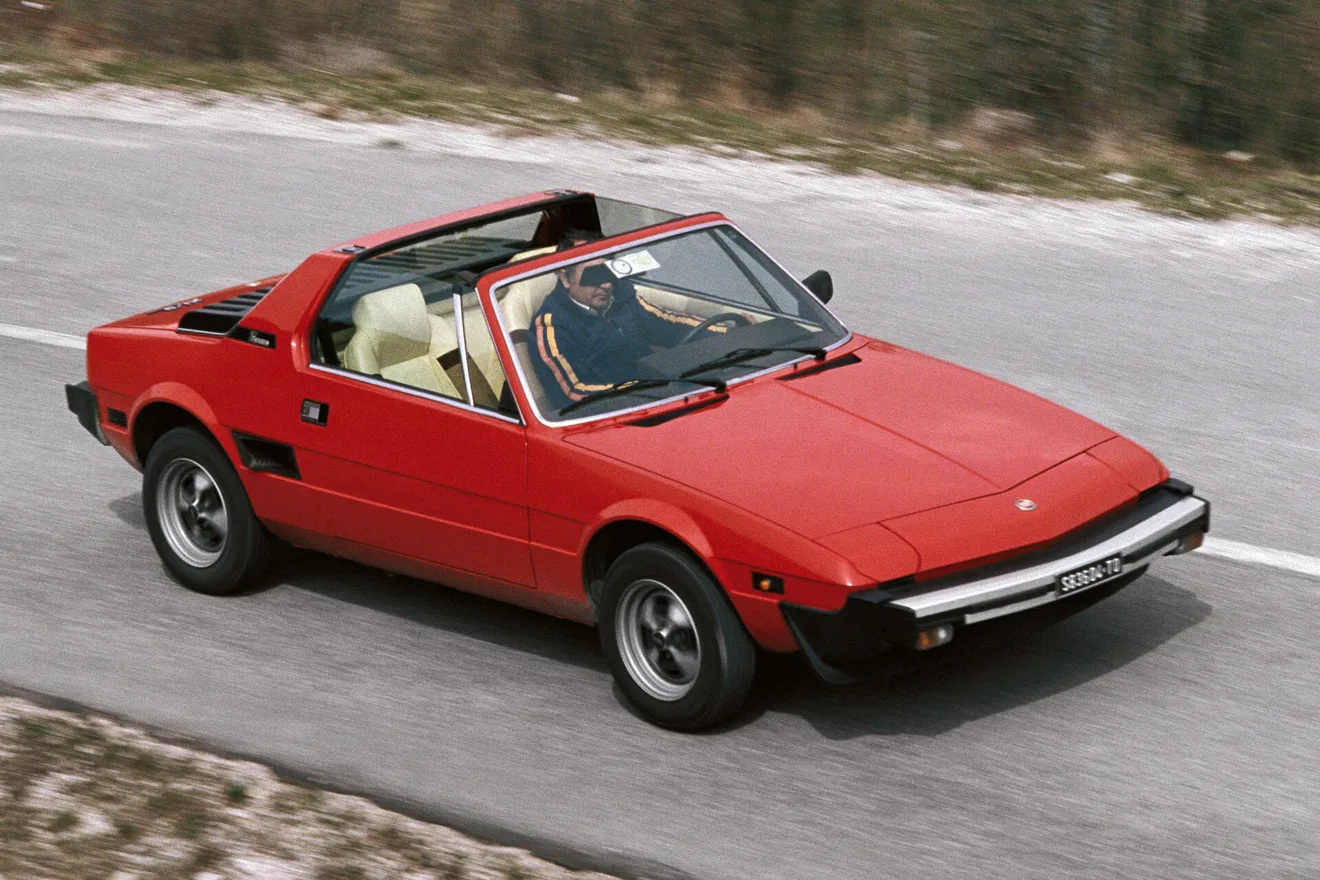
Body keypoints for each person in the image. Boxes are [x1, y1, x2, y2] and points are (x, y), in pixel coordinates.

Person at [529, 256, 712, 411]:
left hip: (662, 395)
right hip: (619, 414)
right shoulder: (552, 328)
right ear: (566, 278)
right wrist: (647, 391)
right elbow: (573, 393)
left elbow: (669, 323)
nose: (607, 284)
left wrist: (729, 333)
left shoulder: (622, 298)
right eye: (594, 275)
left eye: (609, 273)